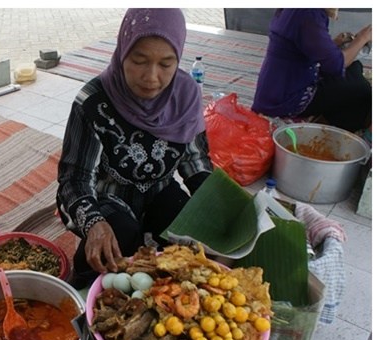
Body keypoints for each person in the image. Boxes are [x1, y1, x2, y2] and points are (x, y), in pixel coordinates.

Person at [56, 8, 213, 287]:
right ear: (122, 52)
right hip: (107, 197)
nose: (151, 77)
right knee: (117, 238)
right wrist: (93, 223)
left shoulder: (186, 95)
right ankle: (84, 282)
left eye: (166, 64)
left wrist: (219, 209)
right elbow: (75, 178)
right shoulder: (93, 102)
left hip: (159, 191)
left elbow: (195, 161)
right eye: (139, 60)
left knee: (188, 231)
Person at [252, 8, 372, 133]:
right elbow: (337, 64)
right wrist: (363, 38)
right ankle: (344, 130)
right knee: (361, 90)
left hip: (278, 86)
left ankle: (333, 118)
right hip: (284, 98)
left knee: (354, 66)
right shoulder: (308, 13)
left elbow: (303, 46)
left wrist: (335, 43)